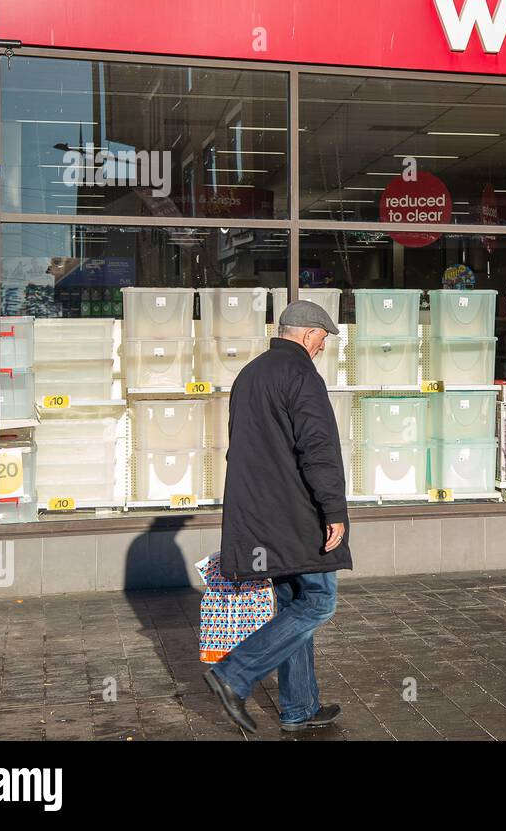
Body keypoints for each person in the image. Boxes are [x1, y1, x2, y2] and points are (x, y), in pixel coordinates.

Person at [204, 300, 352, 733]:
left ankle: (299, 708)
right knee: (319, 602)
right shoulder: (302, 374)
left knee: (292, 601)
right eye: (323, 339)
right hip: (297, 511)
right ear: (308, 334)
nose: (322, 348)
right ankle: (233, 675)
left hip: (259, 510)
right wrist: (334, 511)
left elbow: (245, 447)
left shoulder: (250, 374)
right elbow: (318, 449)